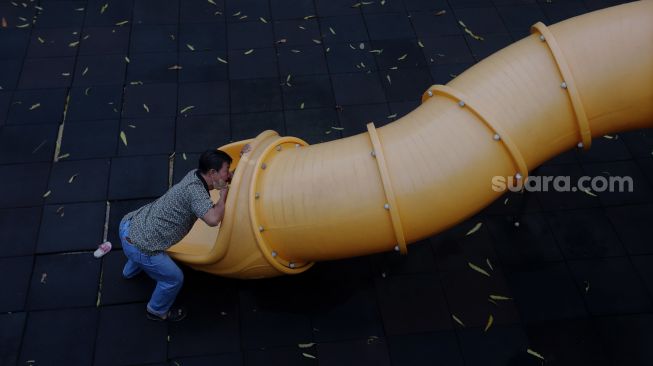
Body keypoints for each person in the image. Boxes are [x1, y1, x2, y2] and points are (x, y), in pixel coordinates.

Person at [118, 145, 250, 321]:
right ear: (212, 172)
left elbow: (225, 179)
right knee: (174, 279)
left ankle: (129, 272)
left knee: (138, 246)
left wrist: (246, 160)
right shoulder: (195, 192)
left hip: (130, 225)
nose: (228, 175)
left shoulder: (196, 174)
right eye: (226, 171)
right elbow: (212, 219)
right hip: (143, 246)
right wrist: (223, 195)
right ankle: (156, 310)